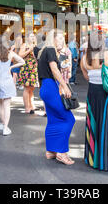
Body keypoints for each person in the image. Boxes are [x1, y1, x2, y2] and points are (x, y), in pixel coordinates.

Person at [80, 32, 108, 171]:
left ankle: (93, 158)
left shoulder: (84, 58)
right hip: (106, 94)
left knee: (94, 124)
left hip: (92, 94)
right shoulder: (106, 55)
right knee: (107, 125)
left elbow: (86, 77)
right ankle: (107, 160)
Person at [37, 29, 75, 165]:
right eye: (59, 38)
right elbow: (54, 70)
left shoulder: (44, 51)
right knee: (69, 118)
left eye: (62, 39)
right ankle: (61, 152)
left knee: (53, 120)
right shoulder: (50, 49)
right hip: (49, 87)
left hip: (46, 87)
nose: (62, 42)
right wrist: (65, 86)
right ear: (52, 39)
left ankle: (51, 151)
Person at [17, 33, 39, 114]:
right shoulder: (25, 45)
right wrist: (29, 50)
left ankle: (31, 105)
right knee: (27, 88)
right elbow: (20, 55)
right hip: (26, 68)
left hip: (34, 68)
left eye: (34, 36)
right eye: (31, 36)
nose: (33, 37)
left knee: (31, 88)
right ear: (27, 38)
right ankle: (27, 108)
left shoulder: (36, 45)